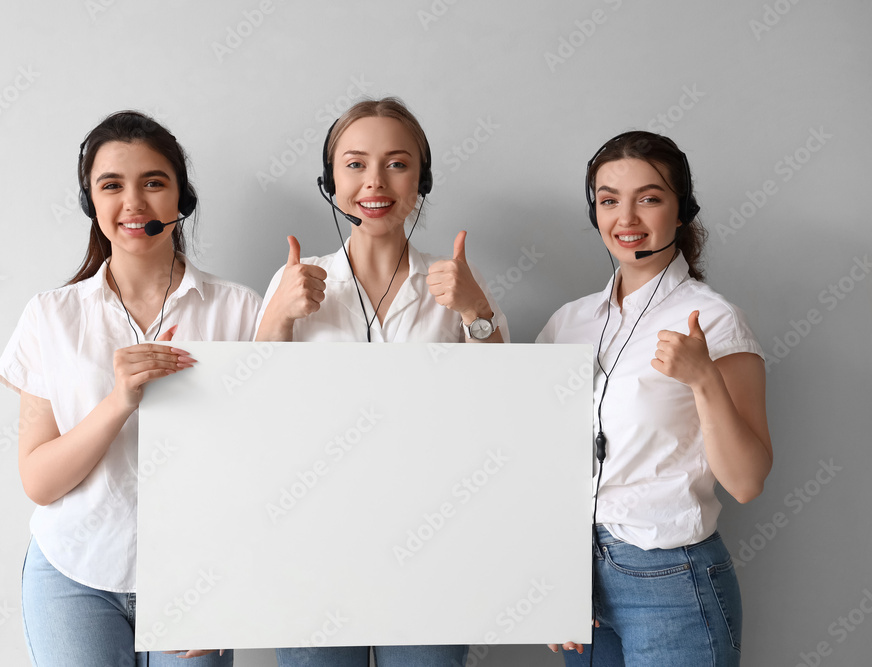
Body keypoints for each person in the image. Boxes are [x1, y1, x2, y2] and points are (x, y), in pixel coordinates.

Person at [0, 110, 259, 666]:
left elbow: (260, 467)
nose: (133, 203)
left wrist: (228, 583)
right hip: (73, 573)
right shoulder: (51, 316)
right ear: (92, 204)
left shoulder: (241, 310)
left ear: (180, 199)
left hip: (193, 575)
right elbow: (39, 481)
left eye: (153, 183)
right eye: (111, 186)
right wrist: (118, 402)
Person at [256, 97, 508, 667]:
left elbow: (502, 410)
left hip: (428, 548)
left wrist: (475, 312)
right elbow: (253, 418)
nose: (375, 181)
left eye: (396, 164)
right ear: (330, 180)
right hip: (312, 548)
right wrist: (278, 316)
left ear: (422, 178)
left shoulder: (456, 283)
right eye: (354, 164)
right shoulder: (294, 281)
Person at [538, 131, 772, 666]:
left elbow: (747, 480)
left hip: (672, 580)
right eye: (608, 199)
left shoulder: (713, 320)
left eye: (649, 197)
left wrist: (704, 378)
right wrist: (549, 578)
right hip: (580, 579)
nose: (627, 218)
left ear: (681, 210)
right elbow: (542, 463)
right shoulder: (567, 323)